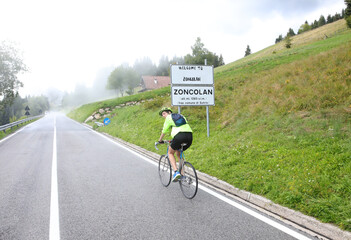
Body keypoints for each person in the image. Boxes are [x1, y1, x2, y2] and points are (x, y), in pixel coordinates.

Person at [158, 107, 193, 182]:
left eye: (164, 113)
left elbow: (164, 130)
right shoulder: (181, 116)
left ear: (169, 112)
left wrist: (160, 140)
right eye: (162, 114)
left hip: (179, 136)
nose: (163, 115)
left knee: (170, 152)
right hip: (189, 136)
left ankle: (176, 172)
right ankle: (182, 174)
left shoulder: (168, 118)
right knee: (178, 152)